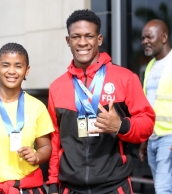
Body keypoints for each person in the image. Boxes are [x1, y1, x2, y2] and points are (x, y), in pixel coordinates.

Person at [46, 9, 155, 194]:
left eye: (89, 36)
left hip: (114, 186)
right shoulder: (57, 87)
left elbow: (147, 123)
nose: (82, 42)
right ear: (68, 41)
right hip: (70, 188)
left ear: (99, 39)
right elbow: (54, 140)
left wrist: (122, 126)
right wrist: (53, 184)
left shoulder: (125, 78)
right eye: (76, 36)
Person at [0, 43, 54, 194]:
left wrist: (37, 156)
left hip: (27, 188)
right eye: (6, 65)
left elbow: (46, 147)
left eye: (18, 66)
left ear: (27, 70)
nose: (12, 71)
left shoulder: (37, 106)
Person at [139, 19, 172, 194]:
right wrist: (144, 141)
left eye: (149, 37)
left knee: (162, 188)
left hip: (169, 137)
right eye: (143, 38)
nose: (145, 41)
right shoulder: (150, 66)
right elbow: (148, 105)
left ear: (164, 37)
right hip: (152, 137)